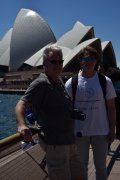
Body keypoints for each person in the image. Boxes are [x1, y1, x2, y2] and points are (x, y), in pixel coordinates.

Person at [15, 44, 80, 180]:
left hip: (70, 141)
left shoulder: (59, 80)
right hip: (55, 144)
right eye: (53, 61)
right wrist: (22, 125)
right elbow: (21, 104)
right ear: (44, 63)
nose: (58, 64)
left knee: (80, 175)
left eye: (60, 61)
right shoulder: (41, 83)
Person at [65, 46, 116, 180]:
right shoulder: (72, 83)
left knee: (101, 168)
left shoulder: (105, 81)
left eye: (92, 59)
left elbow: (111, 108)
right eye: (85, 59)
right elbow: (67, 109)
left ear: (96, 61)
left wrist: (112, 129)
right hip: (79, 133)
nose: (89, 62)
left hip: (101, 131)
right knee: (81, 168)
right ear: (80, 61)